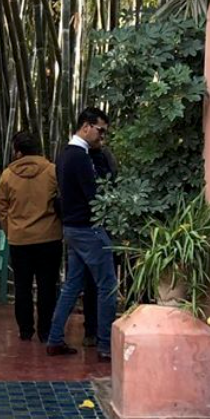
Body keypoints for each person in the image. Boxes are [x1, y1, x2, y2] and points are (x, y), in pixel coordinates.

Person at [46, 108, 117, 362]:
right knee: (107, 285)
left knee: (72, 285)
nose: (102, 138)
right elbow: (94, 193)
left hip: (73, 227)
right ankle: (106, 345)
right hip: (88, 228)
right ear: (86, 126)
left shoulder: (66, 154)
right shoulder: (79, 156)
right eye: (100, 131)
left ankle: (55, 339)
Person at [0, 131, 62, 342]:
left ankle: (25, 330)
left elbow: (1, 209)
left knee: (22, 286)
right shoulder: (52, 171)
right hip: (49, 237)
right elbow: (61, 201)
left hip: (19, 239)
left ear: (17, 152)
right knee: (47, 286)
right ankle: (45, 330)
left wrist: (10, 229)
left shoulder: (7, 175)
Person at [82, 144, 119, 345]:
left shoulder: (84, 158)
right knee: (105, 283)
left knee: (90, 283)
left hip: (86, 228)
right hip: (103, 229)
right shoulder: (101, 160)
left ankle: (92, 331)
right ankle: (103, 337)